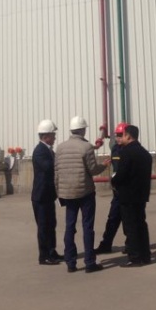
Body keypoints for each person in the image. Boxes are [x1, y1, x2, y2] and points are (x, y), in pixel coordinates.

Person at [55, 115, 110, 273]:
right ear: (83, 130)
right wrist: (104, 165)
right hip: (85, 193)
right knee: (87, 226)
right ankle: (89, 262)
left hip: (67, 193)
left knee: (69, 227)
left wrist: (59, 192)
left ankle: (70, 263)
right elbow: (92, 170)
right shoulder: (86, 147)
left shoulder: (60, 148)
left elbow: (56, 173)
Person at [113, 124, 152, 267]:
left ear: (128, 136)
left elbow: (121, 174)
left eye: (122, 135)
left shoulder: (127, 153)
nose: (120, 138)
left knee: (131, 227)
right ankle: (145, 255)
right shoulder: (145, 153)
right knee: (141, 224)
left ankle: (135, 257)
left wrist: (113, 181)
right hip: (141, 196)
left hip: (128, 196)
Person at [31, 119, 64, 266]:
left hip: (48, 195)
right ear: (46, 136)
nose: (55, 137)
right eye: (53, 135)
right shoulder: (39, 151)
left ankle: (52, 251)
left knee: (51, 225)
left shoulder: (48, 150)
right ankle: (43, 256)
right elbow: (48, 167)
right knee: (44, 226)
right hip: (41, 196)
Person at [95, 122, 128, 255]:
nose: (118, 138)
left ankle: (130, 244)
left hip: (127, 190)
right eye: (117, 135)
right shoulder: (115, 149)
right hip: (117, 191)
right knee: (113, 218)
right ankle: (106, 244)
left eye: (121, 135)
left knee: (127, 219)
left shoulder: (130, 150)